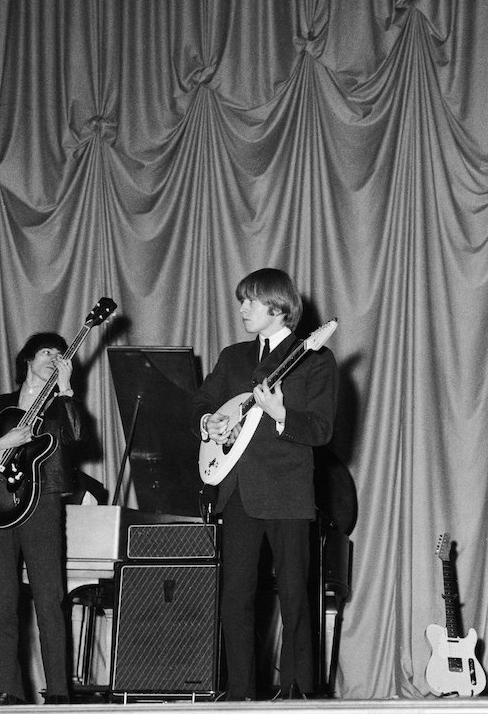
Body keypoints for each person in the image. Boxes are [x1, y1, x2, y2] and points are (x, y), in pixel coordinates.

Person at [194, 268, 337, 700]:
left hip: (288, 493)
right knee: (235, 599)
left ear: (278, 308)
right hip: (236, 490)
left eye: (250, 302)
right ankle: (240, 695)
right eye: (242, 301)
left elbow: (321, 429)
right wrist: (208, 422)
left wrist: (281, 415)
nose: (241, 309)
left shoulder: (314, 358)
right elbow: (202, 400)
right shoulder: (234, 357)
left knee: (295, 599)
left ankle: (298, 695)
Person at [0, 333, 82, 705]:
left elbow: (79, 437)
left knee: (49, 600)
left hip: (42, 504)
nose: (53, 358)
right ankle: (8, 690)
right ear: (27, 358)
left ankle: (58, 693)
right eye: (46, 351)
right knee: (3, 603)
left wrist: (68, 389)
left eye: (60, 355)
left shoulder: (62, 405)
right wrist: (0, 443)